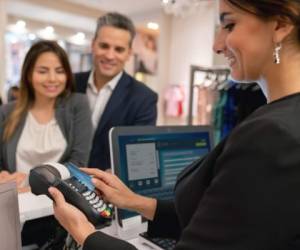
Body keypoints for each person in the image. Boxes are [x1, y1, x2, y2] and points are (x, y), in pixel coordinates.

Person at [50, 0, 300, 249]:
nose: (216, 45)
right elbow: (229, 224)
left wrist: (84, 233)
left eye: (229, 25)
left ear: (280, 25)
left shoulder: (273, 136)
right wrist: (135, 201)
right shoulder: (279, 121)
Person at [0, 40, 93, 247]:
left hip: (58, 213)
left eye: (59, 71)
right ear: (28, 74)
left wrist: (29, 182)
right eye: (43, 71)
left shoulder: (77, 105)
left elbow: (78, 163)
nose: (52, 78)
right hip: (14, 210)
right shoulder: (7, 112)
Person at [75, 12, 158, 171]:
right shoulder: (70, 83)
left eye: (119, 49)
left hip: (106, 188)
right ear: (93, 45)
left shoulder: (144, 98)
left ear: (129, 53)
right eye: (104, 46)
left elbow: (139, 156)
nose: (110, 55)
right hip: (61, 180)